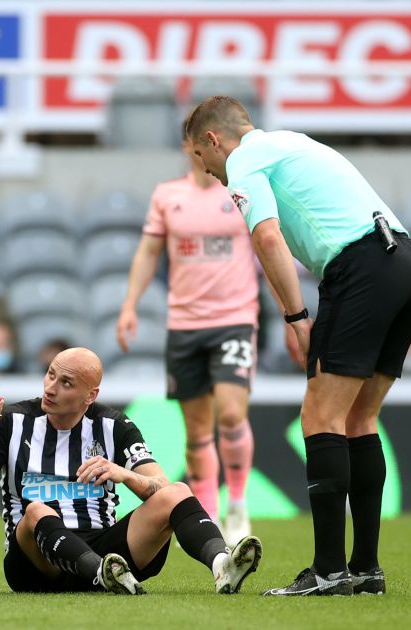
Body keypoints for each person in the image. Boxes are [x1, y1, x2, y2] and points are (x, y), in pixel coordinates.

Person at [185, 96, 411, 596]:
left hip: (361, 267)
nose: (205, 170)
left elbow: (268, 238)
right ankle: (365, 570)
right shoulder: (293, 143)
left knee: (319, 417)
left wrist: (297, 317)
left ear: (214, 140)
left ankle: (327, 571)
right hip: (408, 263)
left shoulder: (243, 161)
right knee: (360, 419)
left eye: (198, 155)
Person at [0, 347, 262, 595]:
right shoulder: (12, 421)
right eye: (51, 375)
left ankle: (223, 565)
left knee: (178, 491)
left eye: (66, 383)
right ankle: (103, 575)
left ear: (90, 395)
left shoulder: (113, 425)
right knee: (36, 511)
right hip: (35, 564)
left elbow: (161, 486)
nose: (51, 388)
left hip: (107, 550)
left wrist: (123, 474)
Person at [117, 116, 260, 545]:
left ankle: (237, 503)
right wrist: (129, 305)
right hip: (184, 324)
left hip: (234, 318)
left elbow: (267, 245)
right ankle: (209, 516)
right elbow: (148, 252)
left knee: (232, 414)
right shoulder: (168, 196)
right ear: (188, 148)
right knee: (197, 431)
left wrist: (291, 314)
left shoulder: (239, 190)